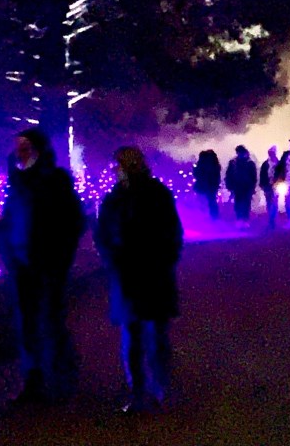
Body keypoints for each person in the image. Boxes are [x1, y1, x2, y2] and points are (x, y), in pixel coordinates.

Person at [94, 146, 183, 414]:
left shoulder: (145, 195)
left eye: (119, 166)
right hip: (135, 274)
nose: (116, 171)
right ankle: (145, 390)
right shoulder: (121, 197)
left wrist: (162, 259)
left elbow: (171, 233)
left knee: (147, 335)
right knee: (141, 335)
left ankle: (151, 390)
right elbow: (103, 234)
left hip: (145, 273)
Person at [3, 126, 87, 405]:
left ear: (38, 149)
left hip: (48, 262)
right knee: (27, 323)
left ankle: (62, 378)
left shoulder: (55, 179)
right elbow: (10, 219)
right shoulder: (17, 181)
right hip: (22, 262)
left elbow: (73, 220)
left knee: (52, 319)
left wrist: (60, 257)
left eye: (26, 147)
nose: (20, 152)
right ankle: (34, 380)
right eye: (18, 148)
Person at [224, 145, 258, 227]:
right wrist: (229, 185)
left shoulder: (248, 163)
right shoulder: (235, 163)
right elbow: (229, 175)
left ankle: (244, 220)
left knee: (245, 203)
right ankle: (240, 219)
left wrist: (252, 187)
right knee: (239, 203)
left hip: (245, 186)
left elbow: (253, 176)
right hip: (238, 186)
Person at [192, 149, 221, 220]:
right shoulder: (215, 164)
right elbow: (217, 176)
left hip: (202, 185)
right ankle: (213, 218)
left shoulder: (202, 163)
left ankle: (202, 217)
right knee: (211, 201)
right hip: (211, 186)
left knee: (202, 201)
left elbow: (197, 174)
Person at [258, 145, 281, 231]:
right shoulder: (266, 164)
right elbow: (262, 174)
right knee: (269, 202)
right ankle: (271, 219)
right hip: (267, 185)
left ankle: (273, 219)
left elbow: (282, 174)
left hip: (276, 185)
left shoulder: (279, 164)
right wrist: (262, 184)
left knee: (274, 202)